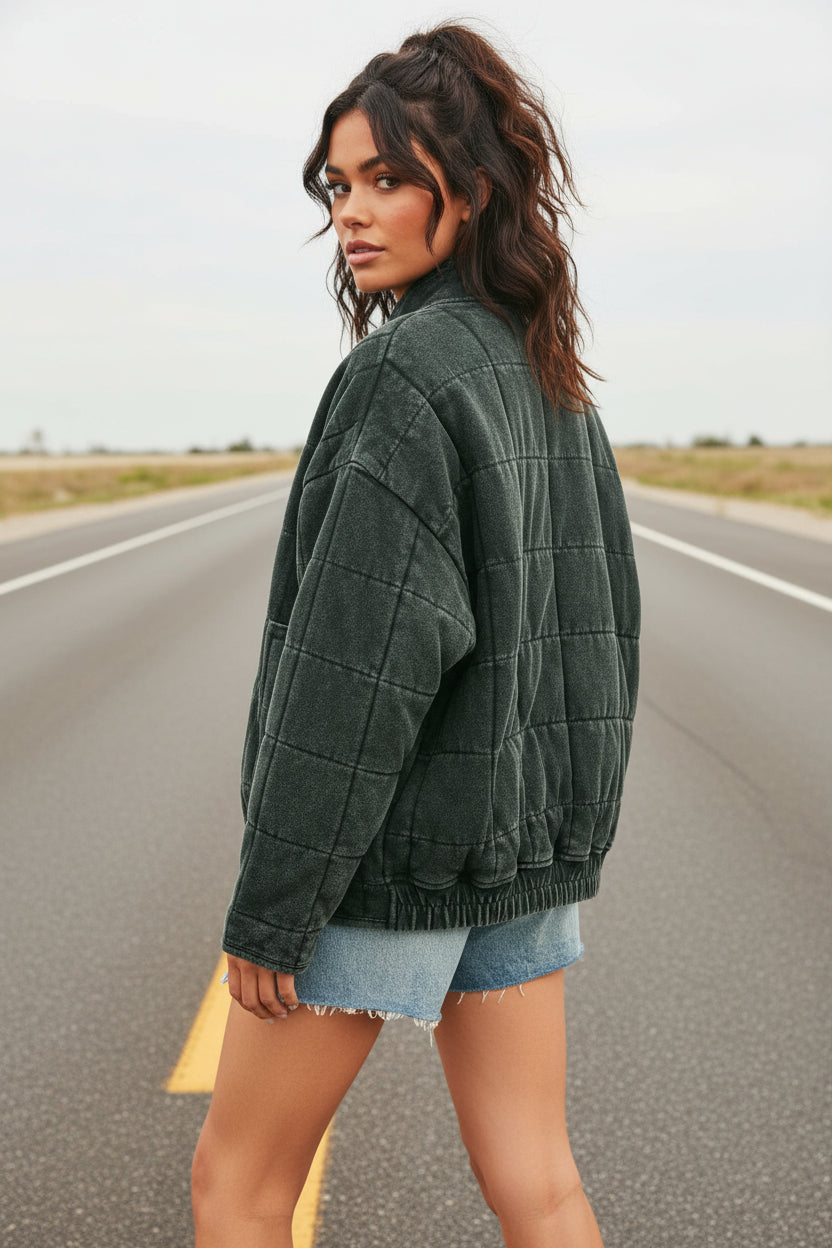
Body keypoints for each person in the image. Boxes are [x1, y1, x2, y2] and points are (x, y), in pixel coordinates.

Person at [191, 20, 640, 1248]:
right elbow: (596, 637)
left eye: (390, 178)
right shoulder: (547, 374)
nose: (352, 211)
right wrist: (563, 835)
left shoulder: (404, 377)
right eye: (339, 184)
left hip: (388, 862)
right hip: (513, 849)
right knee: (537, 1181)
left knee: (238, 1186)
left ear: (472, 190)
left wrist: (276, 907)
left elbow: (355, 669)